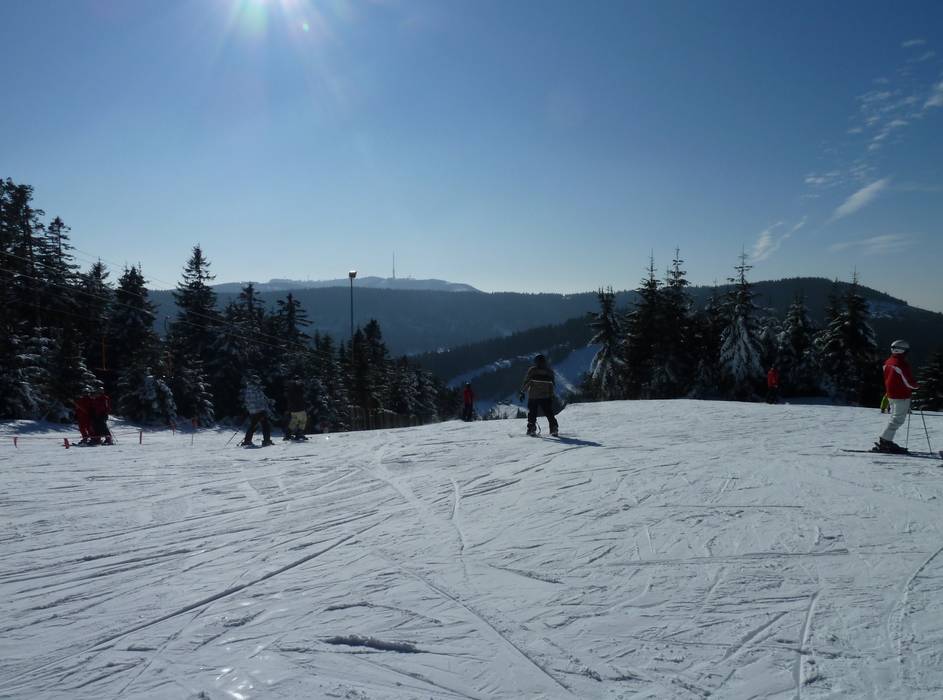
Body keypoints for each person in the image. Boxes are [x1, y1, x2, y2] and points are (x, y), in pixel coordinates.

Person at [876, 339, 919, 453]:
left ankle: (886, 441)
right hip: (901, 395)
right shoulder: (901, 364)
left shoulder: (888, 362)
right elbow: (908, 382)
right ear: (902, 351)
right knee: (897, 419)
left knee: (894, 418)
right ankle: (885, 441)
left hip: (891, 394)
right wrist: (916, 386)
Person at [519, 354, 559, 436]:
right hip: (546, 396)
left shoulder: (532, 370)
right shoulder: (549, 371)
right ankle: (554, 428)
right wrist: (551, 395)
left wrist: (522, 392)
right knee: (549, 413)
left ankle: (531, 429)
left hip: (533, 396)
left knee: (532, 413)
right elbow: (552, 385)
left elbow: (527, 382)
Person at [240, 376, 273, 447]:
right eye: (258, 380)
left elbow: (250, 400)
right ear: (254, 381)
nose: (259, 382)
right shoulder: (255, 389)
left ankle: (247, 440)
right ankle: (266, 441)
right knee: (265, 426)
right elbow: (259, 400)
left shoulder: (250, 388)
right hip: (259, 410)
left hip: (253, 411)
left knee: (253, 425)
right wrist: (264, 408)